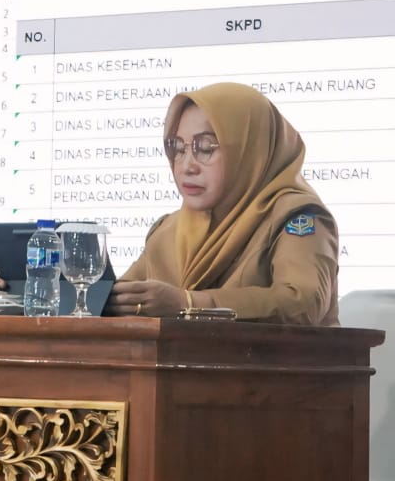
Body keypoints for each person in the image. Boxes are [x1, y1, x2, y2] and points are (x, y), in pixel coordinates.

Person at [104, 82, 338, 323]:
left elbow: (302, 303)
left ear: (250, 151)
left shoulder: (297, 217)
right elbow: (122, 296)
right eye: (178, 148)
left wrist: (188, 304)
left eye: (205, 148)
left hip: (276, 360)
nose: (187, 166)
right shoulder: (168, 230)